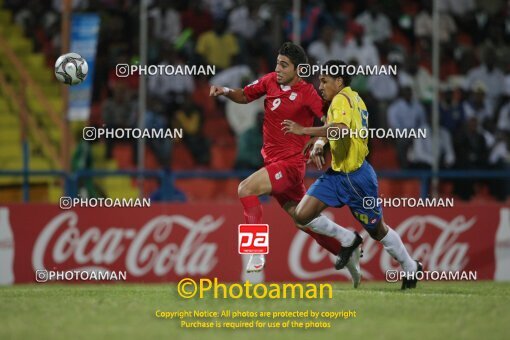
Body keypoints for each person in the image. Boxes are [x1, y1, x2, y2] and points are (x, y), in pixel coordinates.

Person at [210, 43, 361, 287]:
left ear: (298, 69)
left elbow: (329, 121)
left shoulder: (308, 93)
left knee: (245, 189)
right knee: (305, 222)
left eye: (283, 65)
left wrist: (318, 140)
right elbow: (245, 95)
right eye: (277, 63)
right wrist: (225, 90)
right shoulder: (270, 82)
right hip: (273, 163)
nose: (277, 69)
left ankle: (255, 260)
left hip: (290, 166)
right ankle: (348, 246)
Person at [282, 60, 422, 290]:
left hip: (357, 178)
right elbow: (333, 126)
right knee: (301, 215)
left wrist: (304, 130)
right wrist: (319, 143)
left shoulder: (342, 99)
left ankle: (409, 266)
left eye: (325, 81)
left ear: (339, 81)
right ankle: (348, 239)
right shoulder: (351, 99)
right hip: (338, 175)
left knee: (378, 231)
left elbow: (342, 129)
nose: (320, 85)